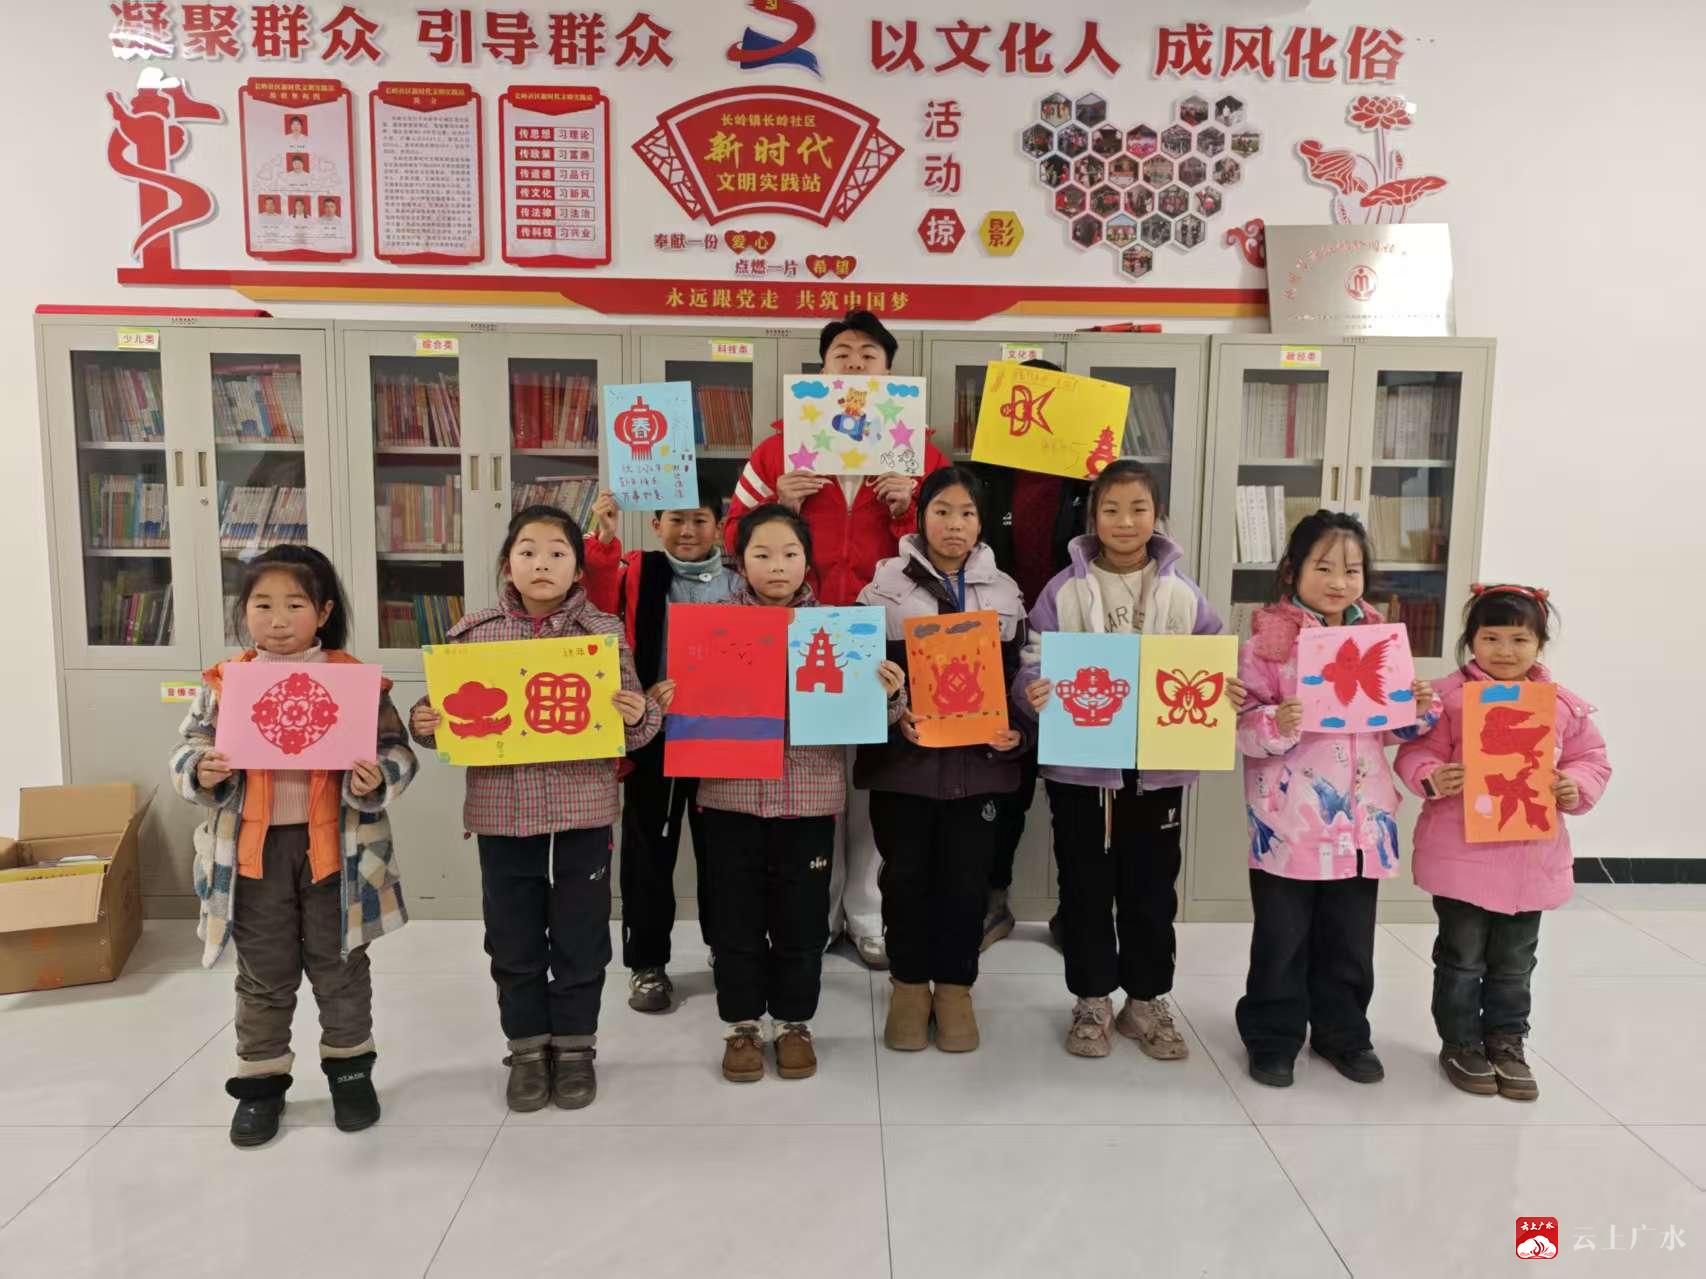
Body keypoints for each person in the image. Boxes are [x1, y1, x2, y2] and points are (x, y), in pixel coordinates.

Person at [409, 506, 662, 1113]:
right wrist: (425, 722)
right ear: (508, 564)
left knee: (581, 934)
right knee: (512, 936)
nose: (541, 563)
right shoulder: (473, 633)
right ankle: (525, 1046)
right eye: (528, 551)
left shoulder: (603, 634)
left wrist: (640, 715)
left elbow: (633, 728)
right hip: (502, 813)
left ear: (577, 568)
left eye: (556, 552)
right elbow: (445, 721)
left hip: (582, 811)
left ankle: (574, 1046)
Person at [168, 545, 416, 1148]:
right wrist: (200, 768)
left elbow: (397, 752)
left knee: (341, 969)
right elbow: (186, 749)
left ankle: (350, 1075)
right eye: (262, 605)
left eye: (295, 605)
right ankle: (260, 1086)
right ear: (243, 612)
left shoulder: (357, 684)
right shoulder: (224, 684)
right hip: (251, 857)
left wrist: (379, 777)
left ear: (323, 612)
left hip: (337, 854)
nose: (278, 620)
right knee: (263, 974)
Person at [723, 309, 949, 969]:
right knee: (813, 773)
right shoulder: (775, 450)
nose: (854, 363)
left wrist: (910, 507)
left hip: (884, 633)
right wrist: (780, 506)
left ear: (889, 371)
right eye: (841, 353)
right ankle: (814, 913)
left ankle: (868, 912)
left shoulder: (921, 454)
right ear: (821, 371)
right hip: (799, 629)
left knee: (874, 778)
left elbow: (952, 548)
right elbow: (734, 538)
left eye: (869, 355)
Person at [1017, 460, 1241, 1060]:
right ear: (1092, 517)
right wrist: (1031, 692)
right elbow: (1032, 661)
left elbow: (1212, 657)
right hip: (1081, 768)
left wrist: (1225, 689)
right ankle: (1092, 999)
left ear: (1157, 515)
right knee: (1084, 885)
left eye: (1138, 508)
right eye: (1110, 509)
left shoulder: (1181, 592)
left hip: (1158, 768)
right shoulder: (1063, 590)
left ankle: (1146, 1000)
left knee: (1152, 888)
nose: (1124, 521)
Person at [688, 504, 906, 1081]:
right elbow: (688, 706)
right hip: (729, 796)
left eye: (790, 553)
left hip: (808, 799)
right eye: (762, 554)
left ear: (808, 561)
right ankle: (741, 1025)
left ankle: (793, 1022)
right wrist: (672, 696)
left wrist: (887, 694)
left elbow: (872, 720)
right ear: (740, 562)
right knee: (734, 919)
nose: (777, 565)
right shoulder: (711, 625)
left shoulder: (838, 628)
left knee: (802, 920)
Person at [1235, 510, 1437, 1089]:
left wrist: (1418, 709)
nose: (1338, 581)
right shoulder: (1268, 644)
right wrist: (1277, 722)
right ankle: (1273, 1036)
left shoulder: (1379, 638)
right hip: (1290, 820)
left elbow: (1392, 730)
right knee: (1282, 937)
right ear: (1293, 571)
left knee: (1350, 938)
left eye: (1351, 570)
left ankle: (1343, 1033)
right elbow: (1242, 727)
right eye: (1323, 567)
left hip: (1361, 821)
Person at [1396, 584, 1610, 1101]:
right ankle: (1460, 1043)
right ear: (1471, 641)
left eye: (1519, 639)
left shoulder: (1561, 707)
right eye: (1491, 638)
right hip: (1463, 860)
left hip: (1530, 863)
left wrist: (1573, 785)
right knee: (1462, 959)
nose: (1505, 651)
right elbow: (1414, 753)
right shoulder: (1448, 700)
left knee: (1516, 963)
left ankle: (1507, 1043)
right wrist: (1432, 776)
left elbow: (1591, 759)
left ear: (1540, 644)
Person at [856, 467, 1028, 1053]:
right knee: (904, 878)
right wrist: (892, 711)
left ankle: (955, 987)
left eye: (967, 513)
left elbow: (1020, 679)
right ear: (920, 515)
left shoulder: (1005, 593)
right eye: (942, 511)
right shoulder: (882, 589)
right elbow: (861, 678)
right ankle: (908, 985)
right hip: (905, 769)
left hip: (979, 769)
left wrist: (1017, 731)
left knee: (965, 881)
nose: (955, 525)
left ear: (982, 522)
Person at [581, 484, 742, 1013]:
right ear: (655, 525)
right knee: (649, 853)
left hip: (725, 737)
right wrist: (603, 540)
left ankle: (728, 949)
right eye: (676, 519)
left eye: (700, 520)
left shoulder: (741, 580)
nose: (688, 531)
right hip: (655, 734)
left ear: (719, 525)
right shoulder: (637, 573)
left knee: (725, 853)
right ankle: (647, 963)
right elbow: (595, 606)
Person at [966, 358, 1091, 950]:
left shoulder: (1089, 481)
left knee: (1076, 783)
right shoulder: (984, 479)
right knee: (1003, 778)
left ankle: (1075, 908)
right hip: (998, 641)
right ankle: (993, 898)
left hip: (1076, 643)